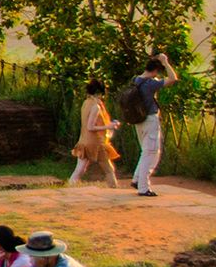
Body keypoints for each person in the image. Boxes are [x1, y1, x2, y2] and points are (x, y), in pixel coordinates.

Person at [124, 53, 178, 197]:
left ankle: (137, 179)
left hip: (138, 121)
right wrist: (166, 62)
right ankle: (143, 187)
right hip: (150, 120)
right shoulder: (150, 84)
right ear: (156, 71)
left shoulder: (136, 80)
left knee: (145, 152)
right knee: (151, 152)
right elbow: (173, 79)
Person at [69, 80, 121, 188]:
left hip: (84, 141)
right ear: (99, 93)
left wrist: (108, 124)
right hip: (96, 143)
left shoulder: (86, 103)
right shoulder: (96, 107)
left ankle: (69, 188)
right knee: (109, 170)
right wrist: (108, 126)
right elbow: (90, 127)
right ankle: (114, 189)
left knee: (79, 170)